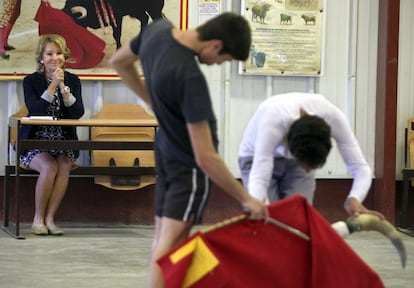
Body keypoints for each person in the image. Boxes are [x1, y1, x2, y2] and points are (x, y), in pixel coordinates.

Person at [109, 12, 268, 288]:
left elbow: (119, 62)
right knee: (170, 248)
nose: (218, 64)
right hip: (188, 172)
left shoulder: (157, 31)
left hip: (166, 156)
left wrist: (151, 100)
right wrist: (246, 199)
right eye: (224, 59)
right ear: (215, 45)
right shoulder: (189, 77)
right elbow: (206, 158)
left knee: (161, 241)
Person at [238, 92, 384, 219]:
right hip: (255, 158)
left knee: (299, 218)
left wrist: (355, 198)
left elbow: (361, 168)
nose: (308, 171)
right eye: (306, 166)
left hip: (297, 157)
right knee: (267, 217)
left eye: (311, 168)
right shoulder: (274, 120)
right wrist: (260, 207)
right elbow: (259, 177)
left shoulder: (334, 118)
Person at [21, 34, 85, 235]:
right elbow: (36, 110)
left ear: (64, 57)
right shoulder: (31, 81)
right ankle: (37, 219)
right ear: (41, 58)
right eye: (49, 54)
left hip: (63, 140)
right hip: (35, 140)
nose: (54, 58)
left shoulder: (73, 81)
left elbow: (77, 113)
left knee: (64, 165)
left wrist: (64, 88)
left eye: (59, 53)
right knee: (49, 166)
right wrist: (51, 86)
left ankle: (50, 219)